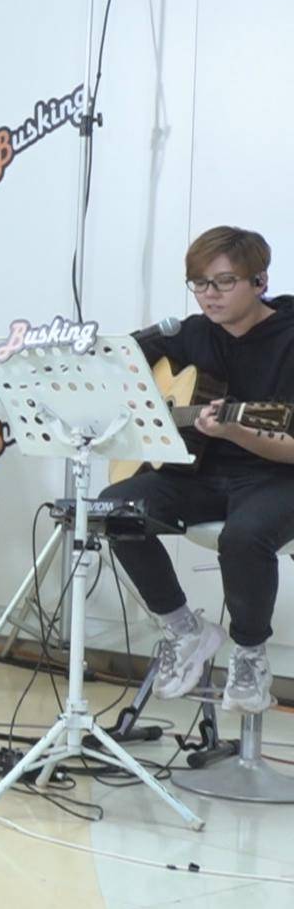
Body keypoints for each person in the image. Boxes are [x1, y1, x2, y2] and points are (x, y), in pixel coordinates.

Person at [101, 226, 294, 714]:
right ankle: (184, 628)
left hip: (276, 476)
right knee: (116, 509)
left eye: (224, 282)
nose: (210, 295)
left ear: (260, 281)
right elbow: (122, 367)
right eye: (200, 284)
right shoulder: (191, 333)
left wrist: (236, 432)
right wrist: (148, 409)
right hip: (200, 471)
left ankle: (249, 654)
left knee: (243, 537)